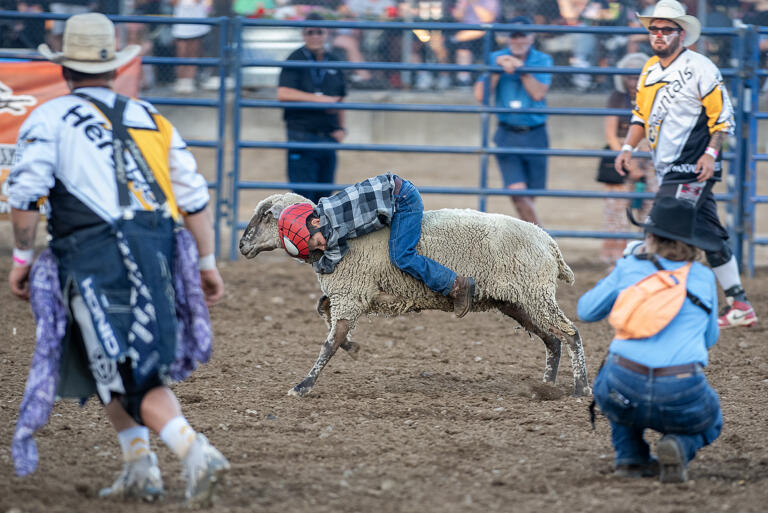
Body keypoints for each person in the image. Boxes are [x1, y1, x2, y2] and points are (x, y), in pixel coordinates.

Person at [7, 13, 230, 504]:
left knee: (126, 369)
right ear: (112, 67)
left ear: (65, 69)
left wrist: (22, 259)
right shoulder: (152, 119)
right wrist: (207, 264)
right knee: (103, 359)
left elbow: (24, 195)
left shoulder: (50, 118)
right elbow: (193, 197)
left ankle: (194, 451)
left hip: (95, 254)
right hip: (156, 250)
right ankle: (139, 464)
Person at [614, 0, 757, 328]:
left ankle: (655, 301)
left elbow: (722, 115)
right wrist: (627, 147)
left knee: (657, 228)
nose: (659, 35)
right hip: (668, 168)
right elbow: (640, 115)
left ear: (682, 34)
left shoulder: (701, 67)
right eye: (654, 29)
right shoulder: (649, 69)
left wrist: (710, 154)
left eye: (666, 29)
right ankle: (740, 304)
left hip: (692, 166)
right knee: (710, 234)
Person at [578, 197, 723, 483]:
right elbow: (710, 338)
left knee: (616, 396)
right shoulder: (704, 277)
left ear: (650, 235)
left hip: (623, 384)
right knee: (712, 420)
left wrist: (621, 271)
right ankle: (680, 446)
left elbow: (586, 310)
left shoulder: (630, 267)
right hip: (681, 386)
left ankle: (630, 458)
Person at [276, 172, 476, 317]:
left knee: (401, 256)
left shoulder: (333, 223)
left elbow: (334, 257)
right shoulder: (325, 213)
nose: (322, 248)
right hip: (396, 193)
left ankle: (456, 285)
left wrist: (316, 264)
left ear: (315, 223)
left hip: (403, 201)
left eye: (318, 243)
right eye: (317, 250)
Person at [473, 16, 552, 226]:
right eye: (513, 36)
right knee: (517, 193)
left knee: (528, 197)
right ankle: (541, 236)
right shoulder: (495, 58)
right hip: (507, 133)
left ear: (531, 37)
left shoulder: (542, 60)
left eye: (522, 36)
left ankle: (529, 236)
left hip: (536, 132)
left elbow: (538, 93)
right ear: (508, 39)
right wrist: (498, 70)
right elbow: (481, 95)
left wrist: (520, 68)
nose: (517, 41)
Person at [277, 12, 347, 204]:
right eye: (310, 32)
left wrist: (341, 128)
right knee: (302, 198)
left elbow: (341, 99)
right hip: (302, 134)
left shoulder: (334, 60)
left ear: (326, 33)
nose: (315, 36)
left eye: (319, 32)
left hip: (328, 136)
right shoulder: (295, 58)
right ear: (304, 34)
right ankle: (300, 234)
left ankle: (317, 234)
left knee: (324, 198)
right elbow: (284, 93)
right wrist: (321, 99)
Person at [597, 52, 656, 265]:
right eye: (629, 77)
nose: (633, 81)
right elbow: (611, 134)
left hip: (650, 154)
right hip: (622, 152)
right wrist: (627, 158)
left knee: (651, 209)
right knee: (616, 211)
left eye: (637, 76)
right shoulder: (616, 97)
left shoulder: (654, 96)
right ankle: (615, 261)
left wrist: (643, 155)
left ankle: (649, 257)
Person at [171, 0, 212, 94]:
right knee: (181, 53)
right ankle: (181, 80)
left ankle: (189, 81)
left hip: (196, 23)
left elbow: (203, 3)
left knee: (193, 53)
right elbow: (173, 3)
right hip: (181, 23)